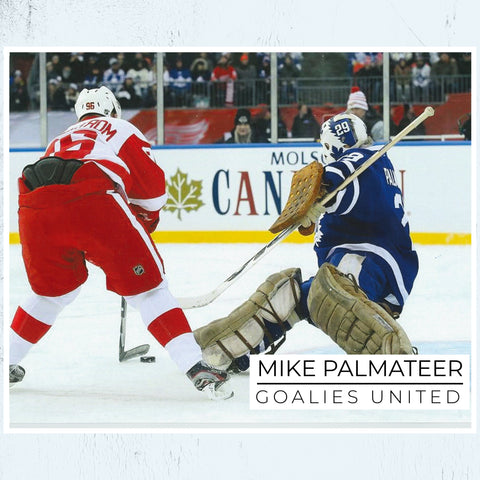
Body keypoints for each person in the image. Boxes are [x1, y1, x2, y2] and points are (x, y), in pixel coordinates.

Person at [9, 86, 232, 400]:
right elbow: (153, 195)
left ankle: (8, 358)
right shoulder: (120, 127)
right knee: (150, 289)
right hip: (91, 197)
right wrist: (138, 221)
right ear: (112, 109)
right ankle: (196, 365)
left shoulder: (59, 138)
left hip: (33, 206)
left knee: (50, 293)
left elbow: (61, 194)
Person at [194, 112, 418, 372]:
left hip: (371, 259)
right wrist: (320, 203)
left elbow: (339, 175)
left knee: (334, 289)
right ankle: (229, 349)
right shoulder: (374, 162)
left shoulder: (364, 160)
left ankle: (394, 355)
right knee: (291, 294)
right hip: (376, 264)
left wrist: (321, 192)